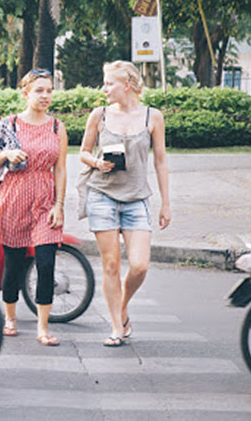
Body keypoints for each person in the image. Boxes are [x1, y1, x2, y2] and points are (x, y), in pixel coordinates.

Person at [77, 60, 170, 347]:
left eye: (109, 83)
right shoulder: (99, 115)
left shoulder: (152, 117)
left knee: (140, 266)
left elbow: (160, 161)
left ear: (127, 85)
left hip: (137, 198)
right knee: (111, 265)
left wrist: (166, 203)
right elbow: (83, 152)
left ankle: (122, 305)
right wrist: (97, 162)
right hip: (102, 195)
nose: (104, 89)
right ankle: (117, 327)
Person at [0, 69, 68, 347]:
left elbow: (61, 169)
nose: (46, 96)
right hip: (15, 197)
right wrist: (7, 155)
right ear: (26, 93)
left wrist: (59, 204)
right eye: (39, 90)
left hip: (45, 199)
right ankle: (10, 317)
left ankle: (43, 327)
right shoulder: (10, 124)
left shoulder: (57, 126)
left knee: (46, 263)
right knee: (15, 264)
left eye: (49, 90)